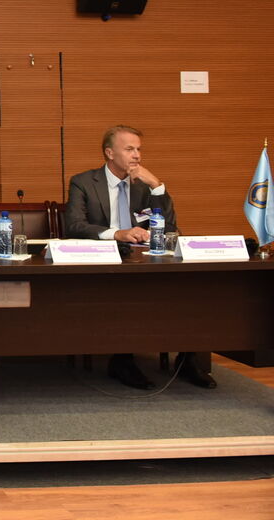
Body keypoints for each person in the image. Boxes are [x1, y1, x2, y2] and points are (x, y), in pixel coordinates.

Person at [65, 125, 212, 389]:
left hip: (144, 259)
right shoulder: (83, 182)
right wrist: (117, 233)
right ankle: (123, 361)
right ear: (110, 153)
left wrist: (156, 186)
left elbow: (170, 227)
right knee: (127, 293)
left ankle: (188, 360)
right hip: (104, 260)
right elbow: (74, 226)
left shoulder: (144, 185)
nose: (137, 155)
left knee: (191, 285)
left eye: (139, 149)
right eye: (129, 149)